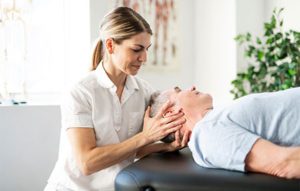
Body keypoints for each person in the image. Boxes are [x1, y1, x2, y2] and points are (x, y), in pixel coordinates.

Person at [45, 7, 188, 191]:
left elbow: (129, 150)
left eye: (146, 49)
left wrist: (164, 147)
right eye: (137, 49)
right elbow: (87, 163)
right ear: (111, 45)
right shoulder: (81, 93)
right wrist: (146, 136)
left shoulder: (143, 91)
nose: (144, 58)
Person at [150, 86, 300, 179]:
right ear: (170, 113)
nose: (192, 87)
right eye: (180, 90)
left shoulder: (212, 123)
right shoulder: (207, 134)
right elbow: (284, 164)